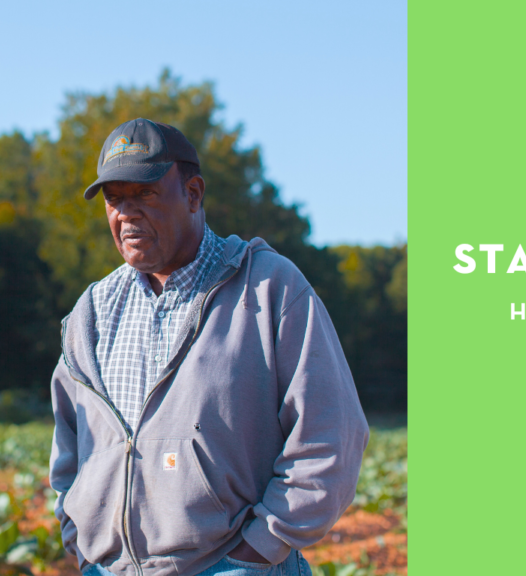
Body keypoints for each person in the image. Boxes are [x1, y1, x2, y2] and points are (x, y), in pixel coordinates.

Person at [49, 118, 369, 576]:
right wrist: (79, 540)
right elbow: (68, 445)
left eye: (145, 194)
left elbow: (330, 434)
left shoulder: (267, 287)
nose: (126, 213)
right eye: (115, 199)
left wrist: (259, 549)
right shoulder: (93, 311)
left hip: (233, 566)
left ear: (194, 194)